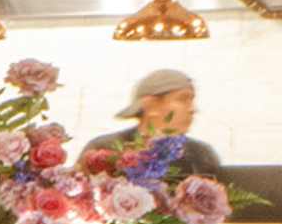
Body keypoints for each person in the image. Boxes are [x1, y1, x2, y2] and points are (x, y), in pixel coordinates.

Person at [88, 68, 224, 187]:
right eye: (183, 99)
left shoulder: (201, 155)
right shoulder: (103, 149)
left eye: (192, 100)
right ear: (151, 105)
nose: (193, 109)